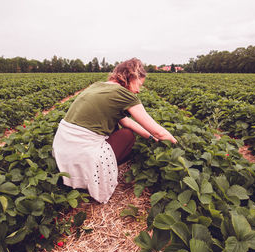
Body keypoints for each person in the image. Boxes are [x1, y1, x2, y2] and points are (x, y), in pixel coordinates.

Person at [52, 58, 177, 203]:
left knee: (117, 127)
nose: (138, 90)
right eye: (139, 85)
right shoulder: (124, 94)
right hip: (82, 152)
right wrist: (175, 145)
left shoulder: (97, 86)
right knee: (127, 136)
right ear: (132, 77)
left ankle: (82, 176)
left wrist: (149, 137)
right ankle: (97, 175)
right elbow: (159, 132)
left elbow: (126, 121)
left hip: (63, 150)